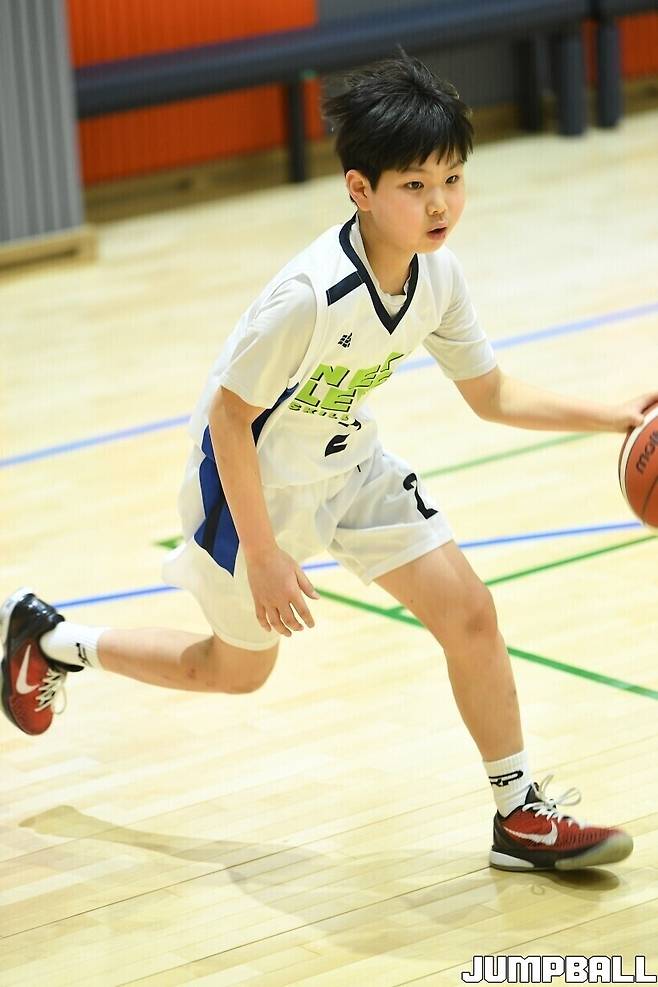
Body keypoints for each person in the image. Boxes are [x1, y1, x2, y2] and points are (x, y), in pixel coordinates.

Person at [2, 53, 653, 872]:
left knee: (470, 614)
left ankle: (519, 815)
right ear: (360, 189)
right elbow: (229, 420)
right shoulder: (310, 296)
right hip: (250, 491)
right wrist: (264, 554)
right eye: (415, 185)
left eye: (452, 179)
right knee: (233, 672)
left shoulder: (438, 276)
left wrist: (616, 417)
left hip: (349, 464)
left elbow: (490, 393)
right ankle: (57, 641)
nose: (441, 203)